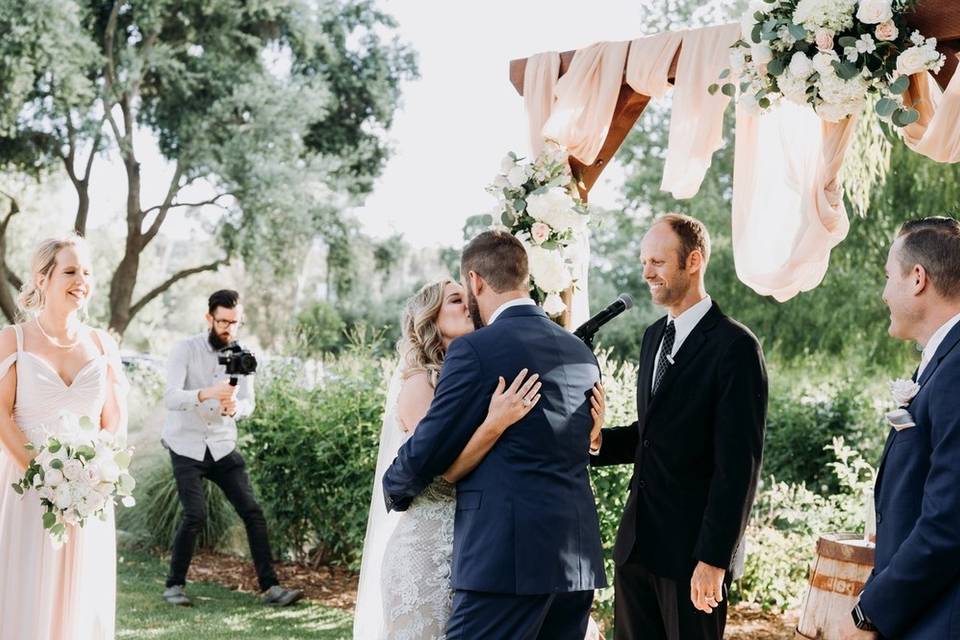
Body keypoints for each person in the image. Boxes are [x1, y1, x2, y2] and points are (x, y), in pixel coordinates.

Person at [382, 230, 607, 640]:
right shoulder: (579, 352)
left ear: (476, 281)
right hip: (575, 559)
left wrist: (394, 485)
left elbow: (428, 447)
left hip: (506, 560)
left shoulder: (476, 351)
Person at [591, 214, 767, 640]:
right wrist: (598, 440)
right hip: (636, 548)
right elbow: (651, 434)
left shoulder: (736, 347)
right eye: (643, 262)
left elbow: (738, 467)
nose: (647, 272)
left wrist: (714, 559)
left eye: (657, 261)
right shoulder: (653, 337)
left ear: (694, 261)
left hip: (692, 558)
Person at [0, 234, 129, 639]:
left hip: (89, 494)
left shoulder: (101, 344)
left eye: (87, 272)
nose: (82, 281)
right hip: (27, 489)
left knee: (82, 597)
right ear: (42, 278)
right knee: (27, 589)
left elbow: (115, 418)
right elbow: (1, 414)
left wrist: (97, 474)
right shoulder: (13, 340)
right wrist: (43, 476)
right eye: (70, 271)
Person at [850, 216, 960, 638]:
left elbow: (949, 521)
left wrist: (871, 613)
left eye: (887, 276)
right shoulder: (939, 363)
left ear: (918, 279)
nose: (883, 294)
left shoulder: (956, 369)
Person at [161, 289, 301, 607]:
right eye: (222, 321)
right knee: (194, 513)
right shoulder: (185, 349)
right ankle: (174, 587)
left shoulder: (244, 354)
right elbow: (170, 397)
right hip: (186, 444)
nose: (228, 328)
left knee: (252, 512)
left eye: (234, 322)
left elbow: (249, 402)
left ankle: (271, 589)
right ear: (209, 317)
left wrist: (235, 408)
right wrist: (208, 393)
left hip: (222, 446)